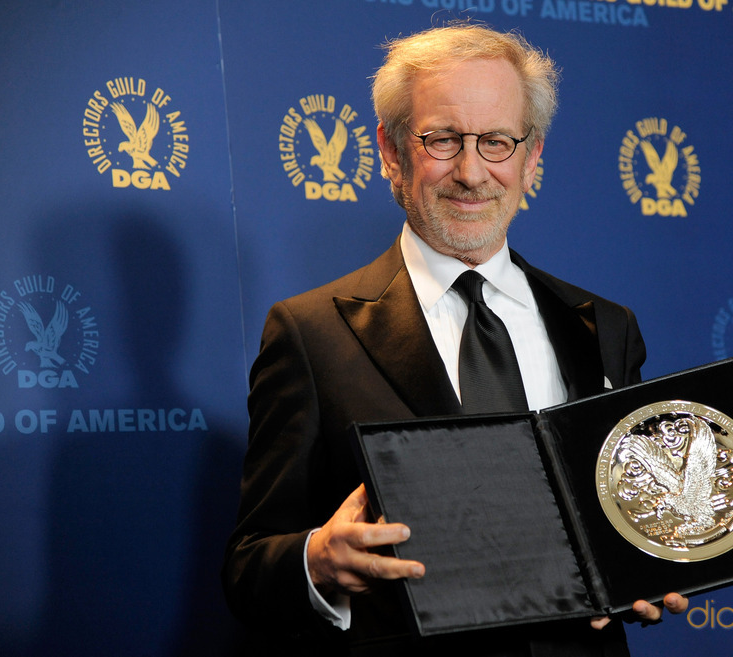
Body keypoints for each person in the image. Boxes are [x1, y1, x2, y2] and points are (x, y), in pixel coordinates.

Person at [223, 23, 688, 656]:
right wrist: (318, 560)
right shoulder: (310, 334)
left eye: (497, 141)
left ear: (531, 158)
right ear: (391, 151)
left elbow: (622, 516)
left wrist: (646, 563)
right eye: (442, 139)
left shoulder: (605, 326)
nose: (471, 172)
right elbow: (249, 571)